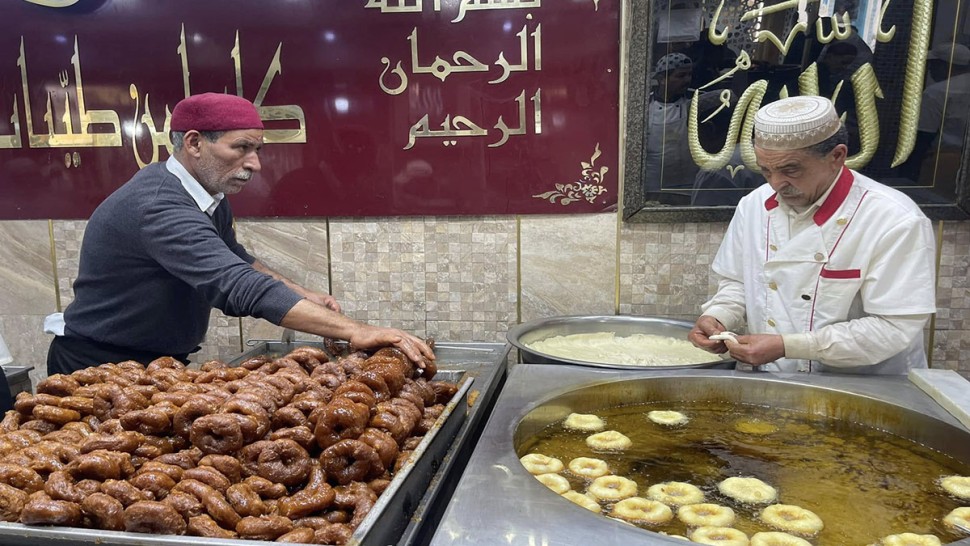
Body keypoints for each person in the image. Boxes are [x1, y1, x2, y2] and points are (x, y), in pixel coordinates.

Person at [47, 92, 435, 375]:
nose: (256, 164)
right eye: (242, 148)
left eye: (258, 149)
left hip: (153, 363)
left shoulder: (206, 191)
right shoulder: (159, 205)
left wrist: (302, 293)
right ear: (196, 143)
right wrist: (358, 332)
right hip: (99, 365)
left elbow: (235, 257)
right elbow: (235, 284)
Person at [688, 95, 936, 374]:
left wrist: (787, 346)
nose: (777, 184)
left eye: (790, 169)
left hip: (865, 389)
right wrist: (719, 315)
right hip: (776, 379)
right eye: (766, 170)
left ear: (837, 156)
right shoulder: (755, 205)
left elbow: (893, 327)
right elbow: (737, 281)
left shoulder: (894, 220)